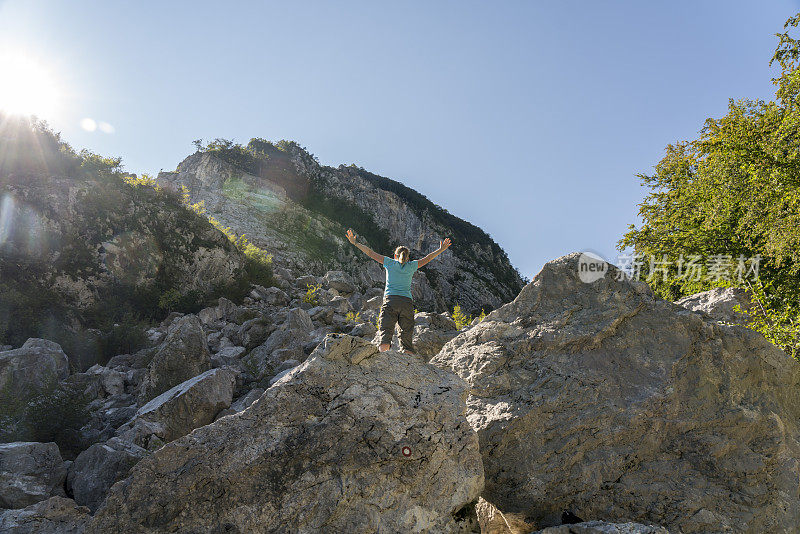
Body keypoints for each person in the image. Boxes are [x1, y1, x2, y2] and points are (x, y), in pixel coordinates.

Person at [346, 228, 452, 355]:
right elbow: (428, 258)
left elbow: (370, 252)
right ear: (407, 257)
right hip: (406, 303)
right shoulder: (412, 265)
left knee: (386, 332)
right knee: (406, 336)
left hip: (391, 301)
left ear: (395, 255)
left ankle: (383, 360)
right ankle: (408, 363)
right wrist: (441, 249)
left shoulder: (389, 262)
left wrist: (355, 243)